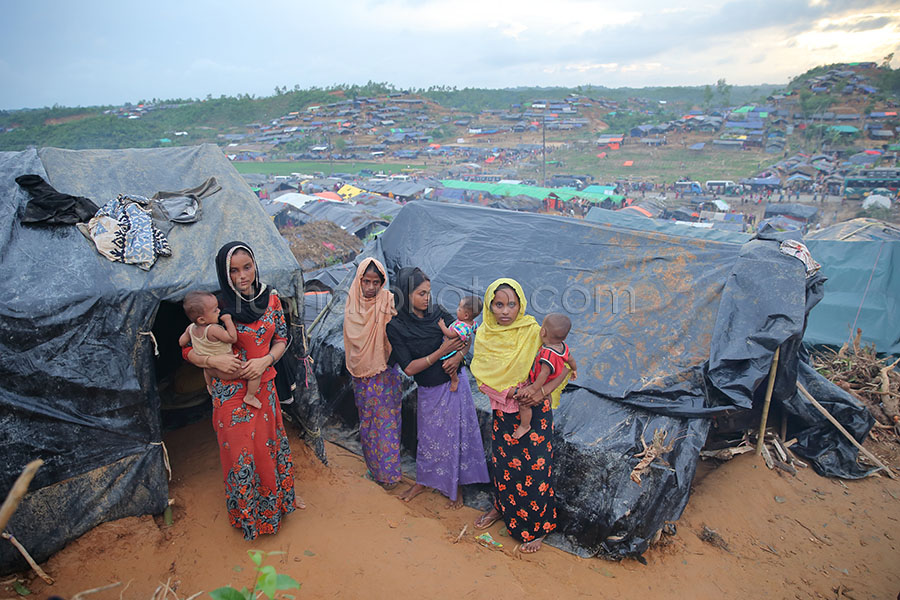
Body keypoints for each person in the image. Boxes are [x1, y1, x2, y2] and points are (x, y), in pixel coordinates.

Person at [181, 241, 303, 540]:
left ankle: (276, 507)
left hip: (263, 387)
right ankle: (250, 517)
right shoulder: (215, 308)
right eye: (233, 271)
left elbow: (282, 338)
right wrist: (212, 360)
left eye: (247, 267)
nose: (242, 276)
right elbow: (186, 349)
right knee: (241, 455)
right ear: (225, 275)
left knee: (267, 448)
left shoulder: (271, 299)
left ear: (255, 266)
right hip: (230, 393)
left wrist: (265, 361)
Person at [469, 279, 570, 553]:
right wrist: (512, 392)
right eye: (499, 304)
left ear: (521, 305)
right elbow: (483, 376)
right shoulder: (486, 335)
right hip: (505, 413)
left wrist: (539, 392)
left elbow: (562, 365)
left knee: (534, 471)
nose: (505, 311)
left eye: (511, 304)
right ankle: (501, 507)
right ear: (489, 306)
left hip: (535, 414)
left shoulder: (534, 332)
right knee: (504, 466)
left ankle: (537, 528)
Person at [385, 267, 490, 508]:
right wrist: (440, 352)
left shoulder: (437, 314)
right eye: (421, 293)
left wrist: (459, 356)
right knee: (429, 438)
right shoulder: (396, 327)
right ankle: (424, 480)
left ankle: (455, 486)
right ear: (405, 294)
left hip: (455, 386)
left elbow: (465, 336)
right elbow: (409, 368)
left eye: (429, 292)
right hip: (429, 389)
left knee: (455, 437)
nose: (427, 298)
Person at [343, 258, 403, 490]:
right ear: (359, 281)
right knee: (368, 423)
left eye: (375, 282)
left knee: (386, 423)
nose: (370, 287)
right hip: (361, 375)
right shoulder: (353, 303)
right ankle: (375, 469)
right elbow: (352, 341)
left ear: (382, 282)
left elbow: (398, 335)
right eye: (366, 281)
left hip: (384, 373)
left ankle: (389, 475)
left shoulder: (389, 301)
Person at [179, 290, 261, 408]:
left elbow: (181, 342)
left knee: (206, 370)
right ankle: (250, 396)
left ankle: (209, 386)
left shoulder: (190, 328)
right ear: (201, 320)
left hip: (208, 370)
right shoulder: (213, 329)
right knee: (254, 373)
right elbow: (232, 338)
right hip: (226, 369)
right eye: (215, 310)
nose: (219, 311)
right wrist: (228, 320)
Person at [510, 313, 577, 440]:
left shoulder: (548, 354)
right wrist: (574, 369)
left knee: (524, 405)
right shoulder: (563, 347)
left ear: (543, 332)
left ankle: (525, 425)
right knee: (547, 399)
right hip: (552, 381)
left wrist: (533, 388)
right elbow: (571, 359)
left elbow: (543, 374)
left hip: (542, 382)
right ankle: (547, 404)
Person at [438, 295, 483, 392]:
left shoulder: (463, 327)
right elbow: (477, 331)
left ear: (466, 315)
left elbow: (450, 334)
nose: (456, 310)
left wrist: (442, 326)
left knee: (447, 365)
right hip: (455, 346)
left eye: (459, 309)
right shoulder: (472, 323)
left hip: (452, 349)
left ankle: (454, 379)